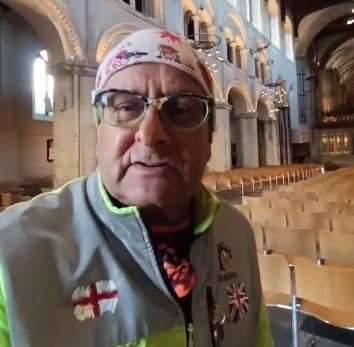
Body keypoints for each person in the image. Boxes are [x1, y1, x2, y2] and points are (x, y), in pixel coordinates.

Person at [0, 28, 272, 346]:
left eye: (181, 109)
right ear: (98, 129)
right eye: (127, 107)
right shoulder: (12, 254)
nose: (151, 133)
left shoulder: (235, 231)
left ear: (209, 136)